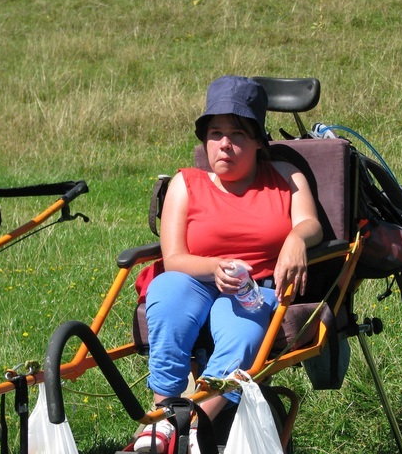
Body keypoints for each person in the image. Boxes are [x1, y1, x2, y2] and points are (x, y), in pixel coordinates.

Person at [133, 75, 323, 452]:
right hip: (192, 279)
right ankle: (162, 416)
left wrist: (296, 240)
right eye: (215, 133)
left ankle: (198, 422)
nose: (224, 145)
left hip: (252, 288)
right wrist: (214, 266)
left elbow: (309, 223)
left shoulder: (285, 176)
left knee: (242, 336)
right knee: (167, 293)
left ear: (257, 140)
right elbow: (174, 259)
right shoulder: (186, 184)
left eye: (237, 134)